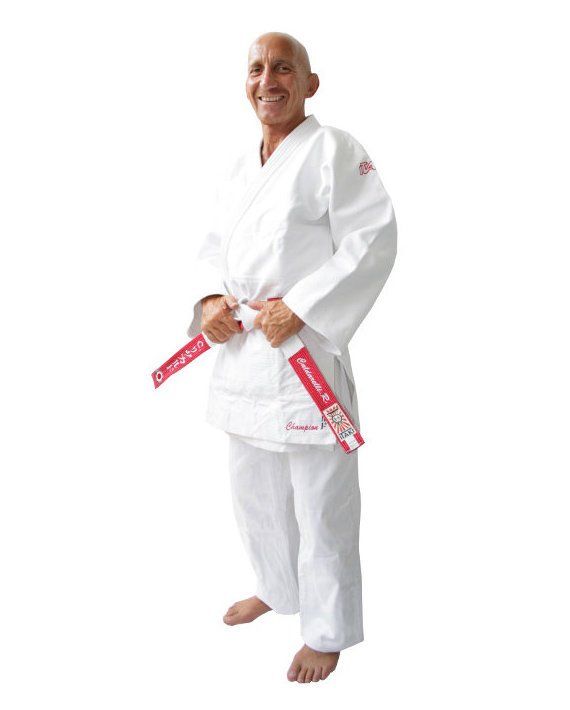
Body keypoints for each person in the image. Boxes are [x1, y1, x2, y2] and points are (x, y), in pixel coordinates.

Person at [186, 31, 397, 682]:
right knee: (254, 492)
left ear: (310, 83)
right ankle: (277, 588)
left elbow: (373, 239)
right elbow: (214, 251)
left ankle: (328, 629)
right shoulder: (239, 167)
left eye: (284, 67)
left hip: (303, 353)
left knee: (321, 499)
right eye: (257, 68)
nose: (268, 79)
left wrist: (302, 306)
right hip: (245, 354)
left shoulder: (335, 150)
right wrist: (209, 302)